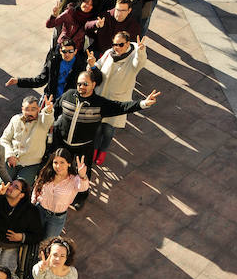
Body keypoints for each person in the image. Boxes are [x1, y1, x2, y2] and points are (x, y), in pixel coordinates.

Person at [51, 67, 160, 209]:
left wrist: (142, 103)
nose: (81, 87)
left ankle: (80, 198)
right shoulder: (68, 95)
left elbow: (121, 106)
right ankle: (56, 191)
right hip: (63, 144)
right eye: (79, 84)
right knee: (58, 168)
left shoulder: (100, 104)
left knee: (83, 173)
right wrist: (49, 114)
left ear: (93, 85)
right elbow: (56, 107)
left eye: (85, 84)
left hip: (84, 146)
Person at [89, 33, 148, 165]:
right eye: (115, 44)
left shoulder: (133, 57)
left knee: (108, 130)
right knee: (98, 128)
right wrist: (92, 64)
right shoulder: (109, 53)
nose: (117, 47)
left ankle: (103, 151)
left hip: (117, 100)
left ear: (127, 44)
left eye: (121, 44)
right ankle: (94, 149)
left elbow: (139, 63)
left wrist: (141, 51)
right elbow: (98, 65)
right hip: (101, 96)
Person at [31, 149, 89, 239]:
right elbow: (37, 186)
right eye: (55, 162)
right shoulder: (47, 173)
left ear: (69, 163)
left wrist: (82, 176)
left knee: (47, 243)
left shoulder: (74, 180)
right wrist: (33, 201)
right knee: (32, 236)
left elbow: (83, 187)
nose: (58, 166)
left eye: (62, 162)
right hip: (39, 211)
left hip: (57, 218)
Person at [5, 38, 85, 101]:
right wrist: (19, 81)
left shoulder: (81, 65)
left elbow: (92, 82)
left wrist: (92, 67)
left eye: (70, 51)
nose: (67, 54)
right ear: (60, 51)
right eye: (64, 51)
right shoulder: (53, 62)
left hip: (68, 101)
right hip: (51, 99)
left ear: (75, 51)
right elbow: (40, 80)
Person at [0, 94, 54, 184]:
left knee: (22, 188)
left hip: (31, 165)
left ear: (39, 109)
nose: (29, 113)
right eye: (27, 109)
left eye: (33, 109)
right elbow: (5, 139)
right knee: (0, 184)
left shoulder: (43, 121)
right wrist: (9, 155)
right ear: (22, 109)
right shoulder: (15, 119)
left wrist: (48, 110)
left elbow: (48, 120)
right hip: (11, 160)